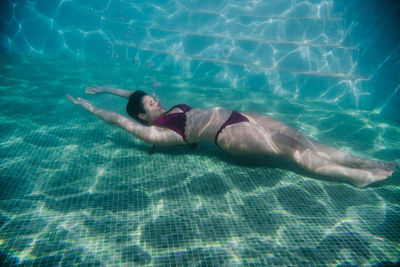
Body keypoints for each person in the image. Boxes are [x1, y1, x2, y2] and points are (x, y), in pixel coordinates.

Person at [66, 85, 397, 188]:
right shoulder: (158, 131)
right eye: (151, 104)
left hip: (241, 115)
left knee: (301, 137)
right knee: (293, 149)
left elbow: (133, 92)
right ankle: (355, 177)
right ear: (143, 115)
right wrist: (91, 107)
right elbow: (122, 122)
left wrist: (108, 88)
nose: (157, 101)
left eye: (155, 98)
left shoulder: (164, 110)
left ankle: (359, 160)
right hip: (226, 132)